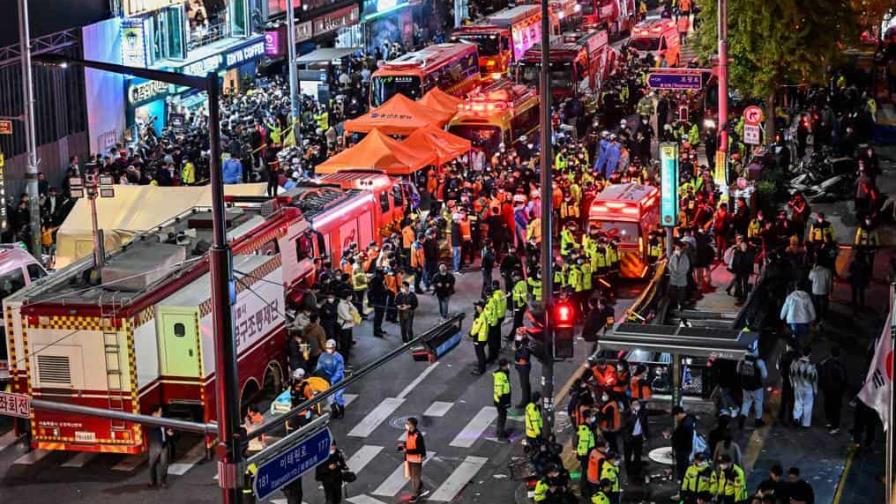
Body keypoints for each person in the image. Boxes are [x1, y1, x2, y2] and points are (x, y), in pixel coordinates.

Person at [737, 346, 768, 429]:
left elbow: (738, 371)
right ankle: (758, 421)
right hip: (757, 387)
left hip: (745, 386)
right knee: (758, 402)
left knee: (746, 402)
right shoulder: (759, 362)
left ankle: (743, 417)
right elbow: (765, 375)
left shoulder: (742, 360)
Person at [818, 347, 847, 434]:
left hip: (828, 390)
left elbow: (819, 369)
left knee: (828, 406)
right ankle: (834, 425)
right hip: (836, 391)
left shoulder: (826, 364)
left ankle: (831, 422)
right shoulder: (840, 366)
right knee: (835, 409)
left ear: (830, 354)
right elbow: (844, 380)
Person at [399, 417, 429, 502]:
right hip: (409, 458)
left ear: (412, 425)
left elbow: (419, 449)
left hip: (416, 459)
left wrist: (407, 450)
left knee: (415, 477)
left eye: (408, 423)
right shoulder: (409, 432)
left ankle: (415, 494)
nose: (406, 425)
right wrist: (402, 446)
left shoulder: (417, 435)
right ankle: (420, 487)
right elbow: (409, 442)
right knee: (412, 476)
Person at [316, 340, 346, 419]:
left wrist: (332, 380)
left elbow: (339, 370)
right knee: (329, 397)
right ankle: (334, 412)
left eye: (331, 348)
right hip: (327, 379)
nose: (329, 349)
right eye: (327, 348)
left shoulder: (338, 357)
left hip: (338, 380)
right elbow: (319, 366)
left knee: (338, 396)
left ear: (334, 348)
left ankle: (341, 411)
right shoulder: (323, 356)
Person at [790, 347, 818, 428]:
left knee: (797, 403)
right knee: (808, 405)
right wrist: (815, 390)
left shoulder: (794, 363)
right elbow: (814, 380)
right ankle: (805, 423)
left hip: (797, 386)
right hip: (808, 388)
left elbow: (791, 375)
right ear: (810, 354)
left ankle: (796, 418)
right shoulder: (811, 366)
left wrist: (792, 384)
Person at [622, 398, 649, 480]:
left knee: (638, 455)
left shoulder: (642, 413)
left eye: (637, 404)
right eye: (634, 404)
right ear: (630, 405)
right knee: (628, 456)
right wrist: (634, 414)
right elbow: (625, 425)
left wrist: (646, 435)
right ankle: (628, 472)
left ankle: (637, 471)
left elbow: (645, 424)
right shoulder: (626, 413)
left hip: (638, 437)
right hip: (629, 439)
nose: (636, 406)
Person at [147, 405, 173, 488]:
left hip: (164, 444)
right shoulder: (151, 421)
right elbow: (156, 426)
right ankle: (152, 481)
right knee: (152, 464)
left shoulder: (162, 420)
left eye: (161, 412)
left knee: (164, 464)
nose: (160, 414)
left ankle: (163, 482)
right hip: (155, 445)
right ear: (154, 413)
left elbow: (166, 429)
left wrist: (169, 432)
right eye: (159, 412)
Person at [672, 406, 696, 482]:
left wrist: (673, 437)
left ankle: (683, 482)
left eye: (675, 416)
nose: (675, 418)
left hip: (683, 449)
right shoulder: (688, 420)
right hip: (685, 448)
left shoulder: (685, 424)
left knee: (682, 467)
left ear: (679, 414)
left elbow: (681, 438)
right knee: (683, 466)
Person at [668, 240, 691, 309]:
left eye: (678, 249)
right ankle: (674, 304)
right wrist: (673, 272)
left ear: (681, 249)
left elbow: (686, 267)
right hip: (673, 278)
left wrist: (680, 274)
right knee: (673, 292)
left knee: (682, 292)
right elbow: (670, 266)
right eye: (676, 249)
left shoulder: (685, 257)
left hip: (682, 277)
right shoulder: (673, 256)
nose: (676, 250)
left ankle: (681, 304)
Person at [336, 292, 358, 364]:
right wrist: (354, 317)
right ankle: (343, 360)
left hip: (349, 326)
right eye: (350, 295)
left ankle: (346, 358)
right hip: (344, 327)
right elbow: (347, 317)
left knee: (348, 344)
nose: (351, 297)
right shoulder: (341, 305)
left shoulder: (348, 303)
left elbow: (355, 310)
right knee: (344, 345)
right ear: (347, 296)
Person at [493, 358, 512, 440]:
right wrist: (501, 398)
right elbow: (499, 388)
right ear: (504, 366)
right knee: (502, 416)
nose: (509, 366)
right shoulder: (500, 375)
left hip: (503, 398)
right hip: (501, 399)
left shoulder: (504, 373)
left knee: (502, 416)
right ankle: (500, 435)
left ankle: (499, 430)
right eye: (507, 364)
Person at [513, 329, 532, 407]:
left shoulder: (525, 344)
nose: (517, 336)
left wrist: (516, 351)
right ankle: (527, 399)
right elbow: (517, 343)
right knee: (525, 384)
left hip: (523, 366)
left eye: (518, 334)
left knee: (524, 384)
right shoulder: (521, 341)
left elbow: (524, 356)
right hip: (520, 365)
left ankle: (524, 402)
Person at [470, 301, 489, 375]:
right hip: (484, 337)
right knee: (481, 353)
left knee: (479, 353)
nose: (476, 307)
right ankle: (482, 365)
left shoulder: (480, 317)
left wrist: (471, 333)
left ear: (480, 307)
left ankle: (481, 369)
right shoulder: (484, 314)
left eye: (477, 306)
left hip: (479, 338)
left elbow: (476, 328)